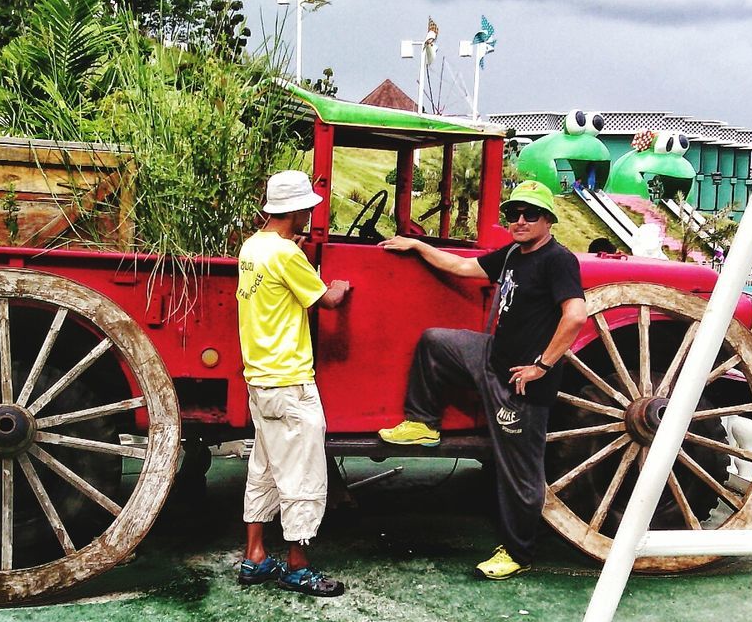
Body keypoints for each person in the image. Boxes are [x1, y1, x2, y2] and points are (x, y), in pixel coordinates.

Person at [376, 180, 586, 580]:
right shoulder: (512, 254)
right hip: (493, 356)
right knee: (436, 341)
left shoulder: (558, 260)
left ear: (548, 220)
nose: (520, 221)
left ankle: (519, 552)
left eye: (530, 214)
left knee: (519, 472)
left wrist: (541, 366)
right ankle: (422, 424)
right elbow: (461, 267)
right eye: (514, 213)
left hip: (523, 381)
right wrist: (417, 245)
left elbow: (575, 315)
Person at [235, 169, 351, 598]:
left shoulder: (254, 247)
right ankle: (297, 566)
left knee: (263, 470)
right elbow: (329, 300)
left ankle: (255, 556)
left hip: (261, 382)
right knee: (303, 475)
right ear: (297, 209)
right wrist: (340, 283)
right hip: (290, 381)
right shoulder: (286, 256)